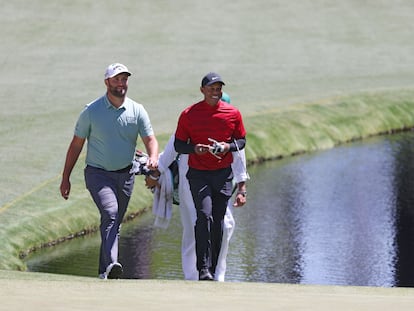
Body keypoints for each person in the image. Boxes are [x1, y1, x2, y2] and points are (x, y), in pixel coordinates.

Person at [59, 63, 159, 280]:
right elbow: (76, 145)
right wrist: (66, 177)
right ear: (107, 82)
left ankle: (105, 272)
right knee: (111, 213)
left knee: (114, 221)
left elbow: (150, 139)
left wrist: (152, 156)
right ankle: (112, 263)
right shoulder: (91, 111)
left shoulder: (137, 110)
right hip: (98, 174)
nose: (121, 84)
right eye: (116, 79)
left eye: (124, 79)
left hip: (126, 175)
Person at [145, 93, 248, 281]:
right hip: (189, 183)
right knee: (194, 228)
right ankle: (193, 276)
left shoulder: (229, 127)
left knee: (225, 225)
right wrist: (155, 173)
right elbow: (172, 149)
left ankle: (217, 274)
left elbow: (239, 157)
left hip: (218, 181)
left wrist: (242, 188)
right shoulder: (193, 120)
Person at [174, 72, 247, 280]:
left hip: (223, 174)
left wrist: (227, 146)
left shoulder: (233, 113)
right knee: (203, 216)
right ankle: (203, 268)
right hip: (198, 174)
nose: (215, 92)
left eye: (218, 89)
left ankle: (214, 268)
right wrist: (195, 149)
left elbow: (241, 142)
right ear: (202, 90)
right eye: (211, 89)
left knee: (217, 221)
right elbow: (179, 145)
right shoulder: (189, 114)